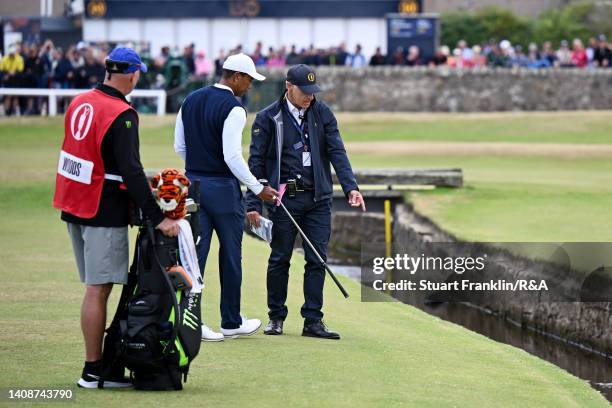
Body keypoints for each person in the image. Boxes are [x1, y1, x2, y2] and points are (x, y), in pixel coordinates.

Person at [53, 47, 180, 388]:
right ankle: (93, 371)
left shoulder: (80, 101)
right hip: (101, 209)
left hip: (74, 205)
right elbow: (132, 172)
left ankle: (99, 367)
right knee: (98, 290)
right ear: (132, 73)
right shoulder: (122, 113)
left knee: (95, 287)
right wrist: (157, 217)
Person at [245, 64, 366, 340]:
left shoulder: (322, 113)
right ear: (288, 86)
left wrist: (351, 187)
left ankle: (313, 320)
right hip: (285, 200)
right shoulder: (267, 118)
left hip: (318, 198)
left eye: (313, 91)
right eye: (304, 91)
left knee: (317, 259)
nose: (310, 96)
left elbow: (337, 150)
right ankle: (276, 317)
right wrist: (252, 203)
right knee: (280, 258)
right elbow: (256, 164)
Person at [174, 53, 278, 341]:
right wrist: (258, 188)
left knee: (195, 255)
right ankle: (231, 321)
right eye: (248, 80)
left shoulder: (190, 99)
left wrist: (197, 170)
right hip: (222, 188)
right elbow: (231, 156)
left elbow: (180, 146)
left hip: (193, 185)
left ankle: (192, 322)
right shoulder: (234, 107)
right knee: (231, 254)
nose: (249, 86)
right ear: (235, 77)